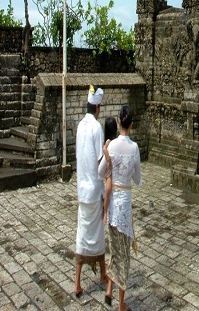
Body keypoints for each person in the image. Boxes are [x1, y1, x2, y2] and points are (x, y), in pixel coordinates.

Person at [98, 105, 141, 311]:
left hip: (112, 206)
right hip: (124, 204)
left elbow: (101, 172)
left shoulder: (111, 145)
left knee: (115, 250)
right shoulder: (133, 148)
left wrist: (109, 160)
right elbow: (138, 179)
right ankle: (121, 304)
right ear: (131, 123)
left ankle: (109, 291)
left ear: (118, 120)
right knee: (124, 255)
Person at [74, 85, 108, 297]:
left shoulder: (79, 126)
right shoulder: (96, 128)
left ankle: (78, 281)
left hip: (81, 187)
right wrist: (108, 155)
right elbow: (99, 160)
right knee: (97, 234)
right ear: (96, 107)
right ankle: (103, 274)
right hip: (94, 188)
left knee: (83, 233)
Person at [102, 116, 118, 225]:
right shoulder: (109, 141)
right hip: (109, 170)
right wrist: (108, 160)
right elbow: (104, 149)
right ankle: (105, 212)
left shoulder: (115, 141)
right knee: (108, 188)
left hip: (113, 168)